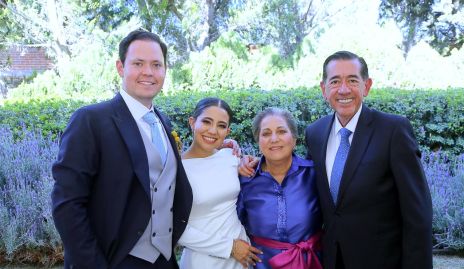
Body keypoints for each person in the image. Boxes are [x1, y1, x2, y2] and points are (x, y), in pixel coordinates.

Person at [240, 51, 433, 269]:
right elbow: (297, 171)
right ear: (324, 89)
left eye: (352, 80)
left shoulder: (393, 130)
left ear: (366, 86)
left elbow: (418, 214)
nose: (343, 89)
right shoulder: (316, 133)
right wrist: (256, 160)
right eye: (335, 81)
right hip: (330, 260)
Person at [51, 29, 193, 269]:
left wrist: (224, 152)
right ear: (120, 67)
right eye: (138, 63)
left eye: (157, 64)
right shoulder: (90, 120)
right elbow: (67, 204)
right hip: (113, 261)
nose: (148, 72)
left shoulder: (163, 122)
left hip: (165, 261)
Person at [177, 97, 262, 269]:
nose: (213, 131)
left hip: (242, 258)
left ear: (228, 131)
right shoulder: (176, 169)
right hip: (203, 260)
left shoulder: (229, 157)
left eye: (221, 126)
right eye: (207, 122)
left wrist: (249, 160)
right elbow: (173, 228)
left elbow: (266, 172)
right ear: (192, 122)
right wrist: (229, 247)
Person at [237, 108, 323, 269]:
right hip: (262, 265)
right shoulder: (245, 180)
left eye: (282, 131)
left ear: (295, 138)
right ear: (258, 141)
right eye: (266, 133)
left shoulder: (314, 174)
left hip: (309, 262)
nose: (274, 139)